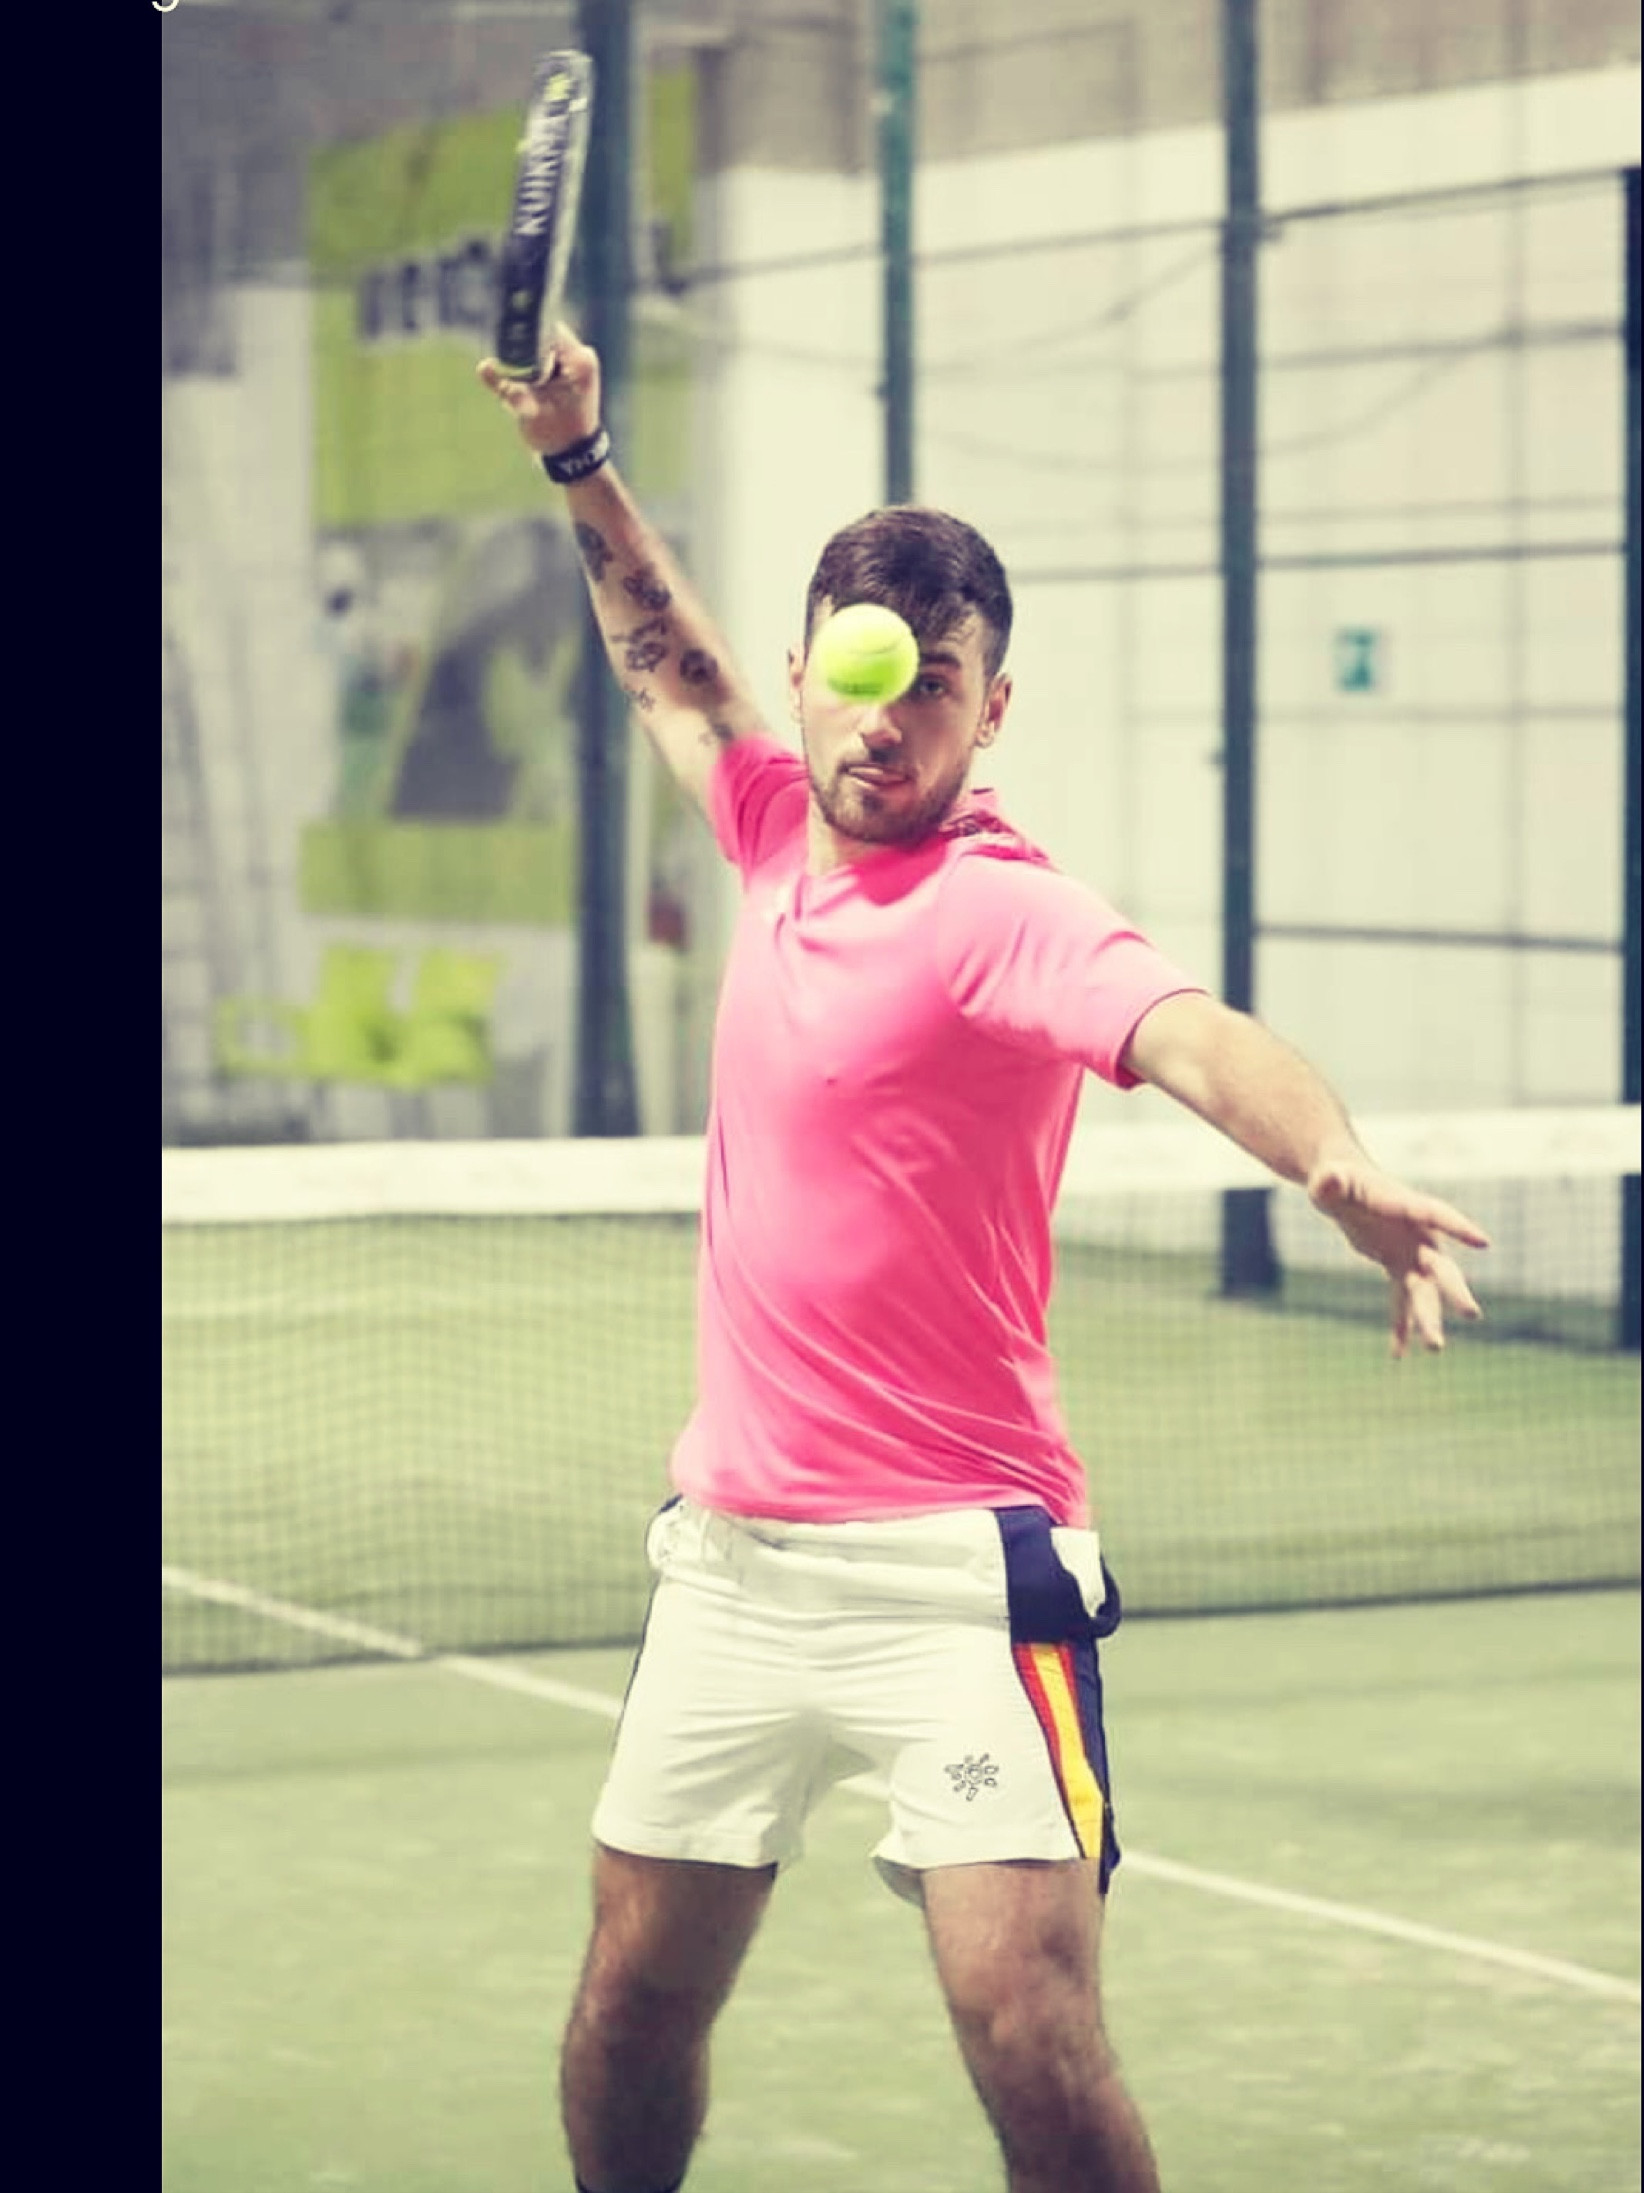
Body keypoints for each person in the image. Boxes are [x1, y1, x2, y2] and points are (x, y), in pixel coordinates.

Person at [480, 326, 1489, 2193]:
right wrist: (575, 453)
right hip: (731, 1563)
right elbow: (662, 649)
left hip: (960, 1571)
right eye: (859, 678)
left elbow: (1194, 1034)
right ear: (805, 674)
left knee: (1025, 2019)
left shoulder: (1006, 909)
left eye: (931, 687)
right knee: (628, 2001)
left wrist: (1328, 1156)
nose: (887, 723)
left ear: (988, 709)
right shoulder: (768, 829)